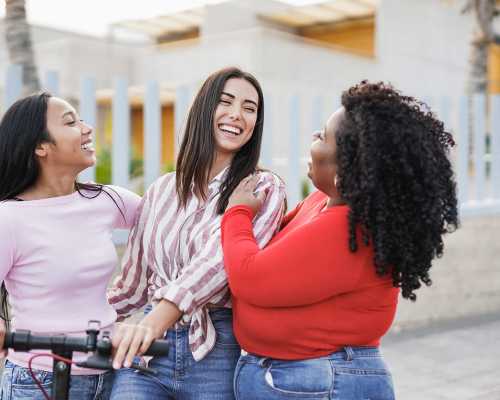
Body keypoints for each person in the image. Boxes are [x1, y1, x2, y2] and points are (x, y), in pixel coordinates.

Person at [221, 81, 459, 400]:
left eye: (322, 136)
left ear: (343, 170)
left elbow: (249, 277)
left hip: (320, 379)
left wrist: (237, 212)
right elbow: (274, 257)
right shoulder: (321, 203)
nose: (312, 139)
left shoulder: (350, 229)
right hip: (304, 375)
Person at [108, 67, 286, 399]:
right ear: (204, 108)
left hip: (216, 349)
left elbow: (220, 263)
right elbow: (131, 286)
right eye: (226, 101)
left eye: (250, 108)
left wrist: (161, 315)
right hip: (148, 349)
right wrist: (65, 323)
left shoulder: (263, 188)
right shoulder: (161, 189)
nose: (237, 114)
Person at [0, 92, 141, 400]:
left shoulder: (106, 199)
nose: (87, 128)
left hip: (109, 373)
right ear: (40, 146)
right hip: (38, 378)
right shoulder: (8, 218)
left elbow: (169, 219)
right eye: (70, 122)